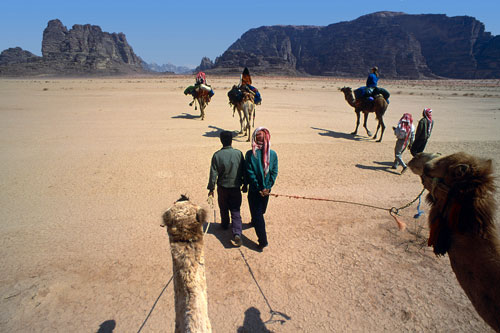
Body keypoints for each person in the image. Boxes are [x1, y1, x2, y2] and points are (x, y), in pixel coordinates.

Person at [207, 131, 246, 247]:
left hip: (223, 187)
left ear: (221, 141)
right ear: (231, 140)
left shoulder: (217, 155)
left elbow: (213, 174)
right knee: (235, 210)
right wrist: (245, 184)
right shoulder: (238, 154)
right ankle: (237, 232)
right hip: (235, 187)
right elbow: (243, 170)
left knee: (223, 207)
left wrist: (211, 188)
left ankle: (225, 224)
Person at [244, 127, 278, 251]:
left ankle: (263, 241)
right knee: (260, 211)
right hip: (266, 192)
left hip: (255, 190)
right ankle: (254, 221)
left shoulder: (250, 154)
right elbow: (274, 172)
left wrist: (260, 187)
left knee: (258, 214)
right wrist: (267, 188)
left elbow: (249, 173)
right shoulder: (273, 154)